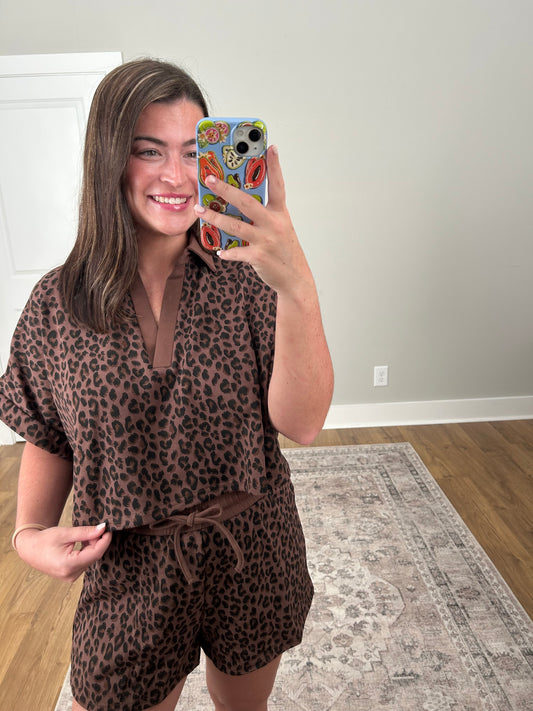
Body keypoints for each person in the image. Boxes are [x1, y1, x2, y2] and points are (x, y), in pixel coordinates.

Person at [0, 58, 334, 711]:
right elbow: (48, 429)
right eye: (149, 151)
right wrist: (29, 532)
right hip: (130, 566)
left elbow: (303, 422)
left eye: (191, 152)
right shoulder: (58, 303)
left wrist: (297, 285)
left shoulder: (249, 276)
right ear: (109, 159)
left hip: (252, 544)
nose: (177, 176)